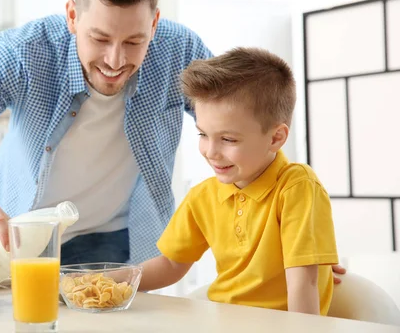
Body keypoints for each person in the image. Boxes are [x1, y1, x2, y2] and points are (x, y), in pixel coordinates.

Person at [0, 0, 346, 283]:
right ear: (72, 16)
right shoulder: (24, 52)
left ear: (154, 23)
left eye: (134, 41)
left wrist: (296, 234)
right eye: (99, 38)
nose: (115, 60)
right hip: (17, 237)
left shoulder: (179, 49)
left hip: (118, 240)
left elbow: (246, 132)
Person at [138, 47, 340, 315]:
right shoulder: (203, 196)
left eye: (229, 139)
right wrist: (104, 280)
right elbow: (171, 265)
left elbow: (304, 282)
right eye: (203, 135)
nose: (211, 151)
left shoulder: (297, 187)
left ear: (276, 138)